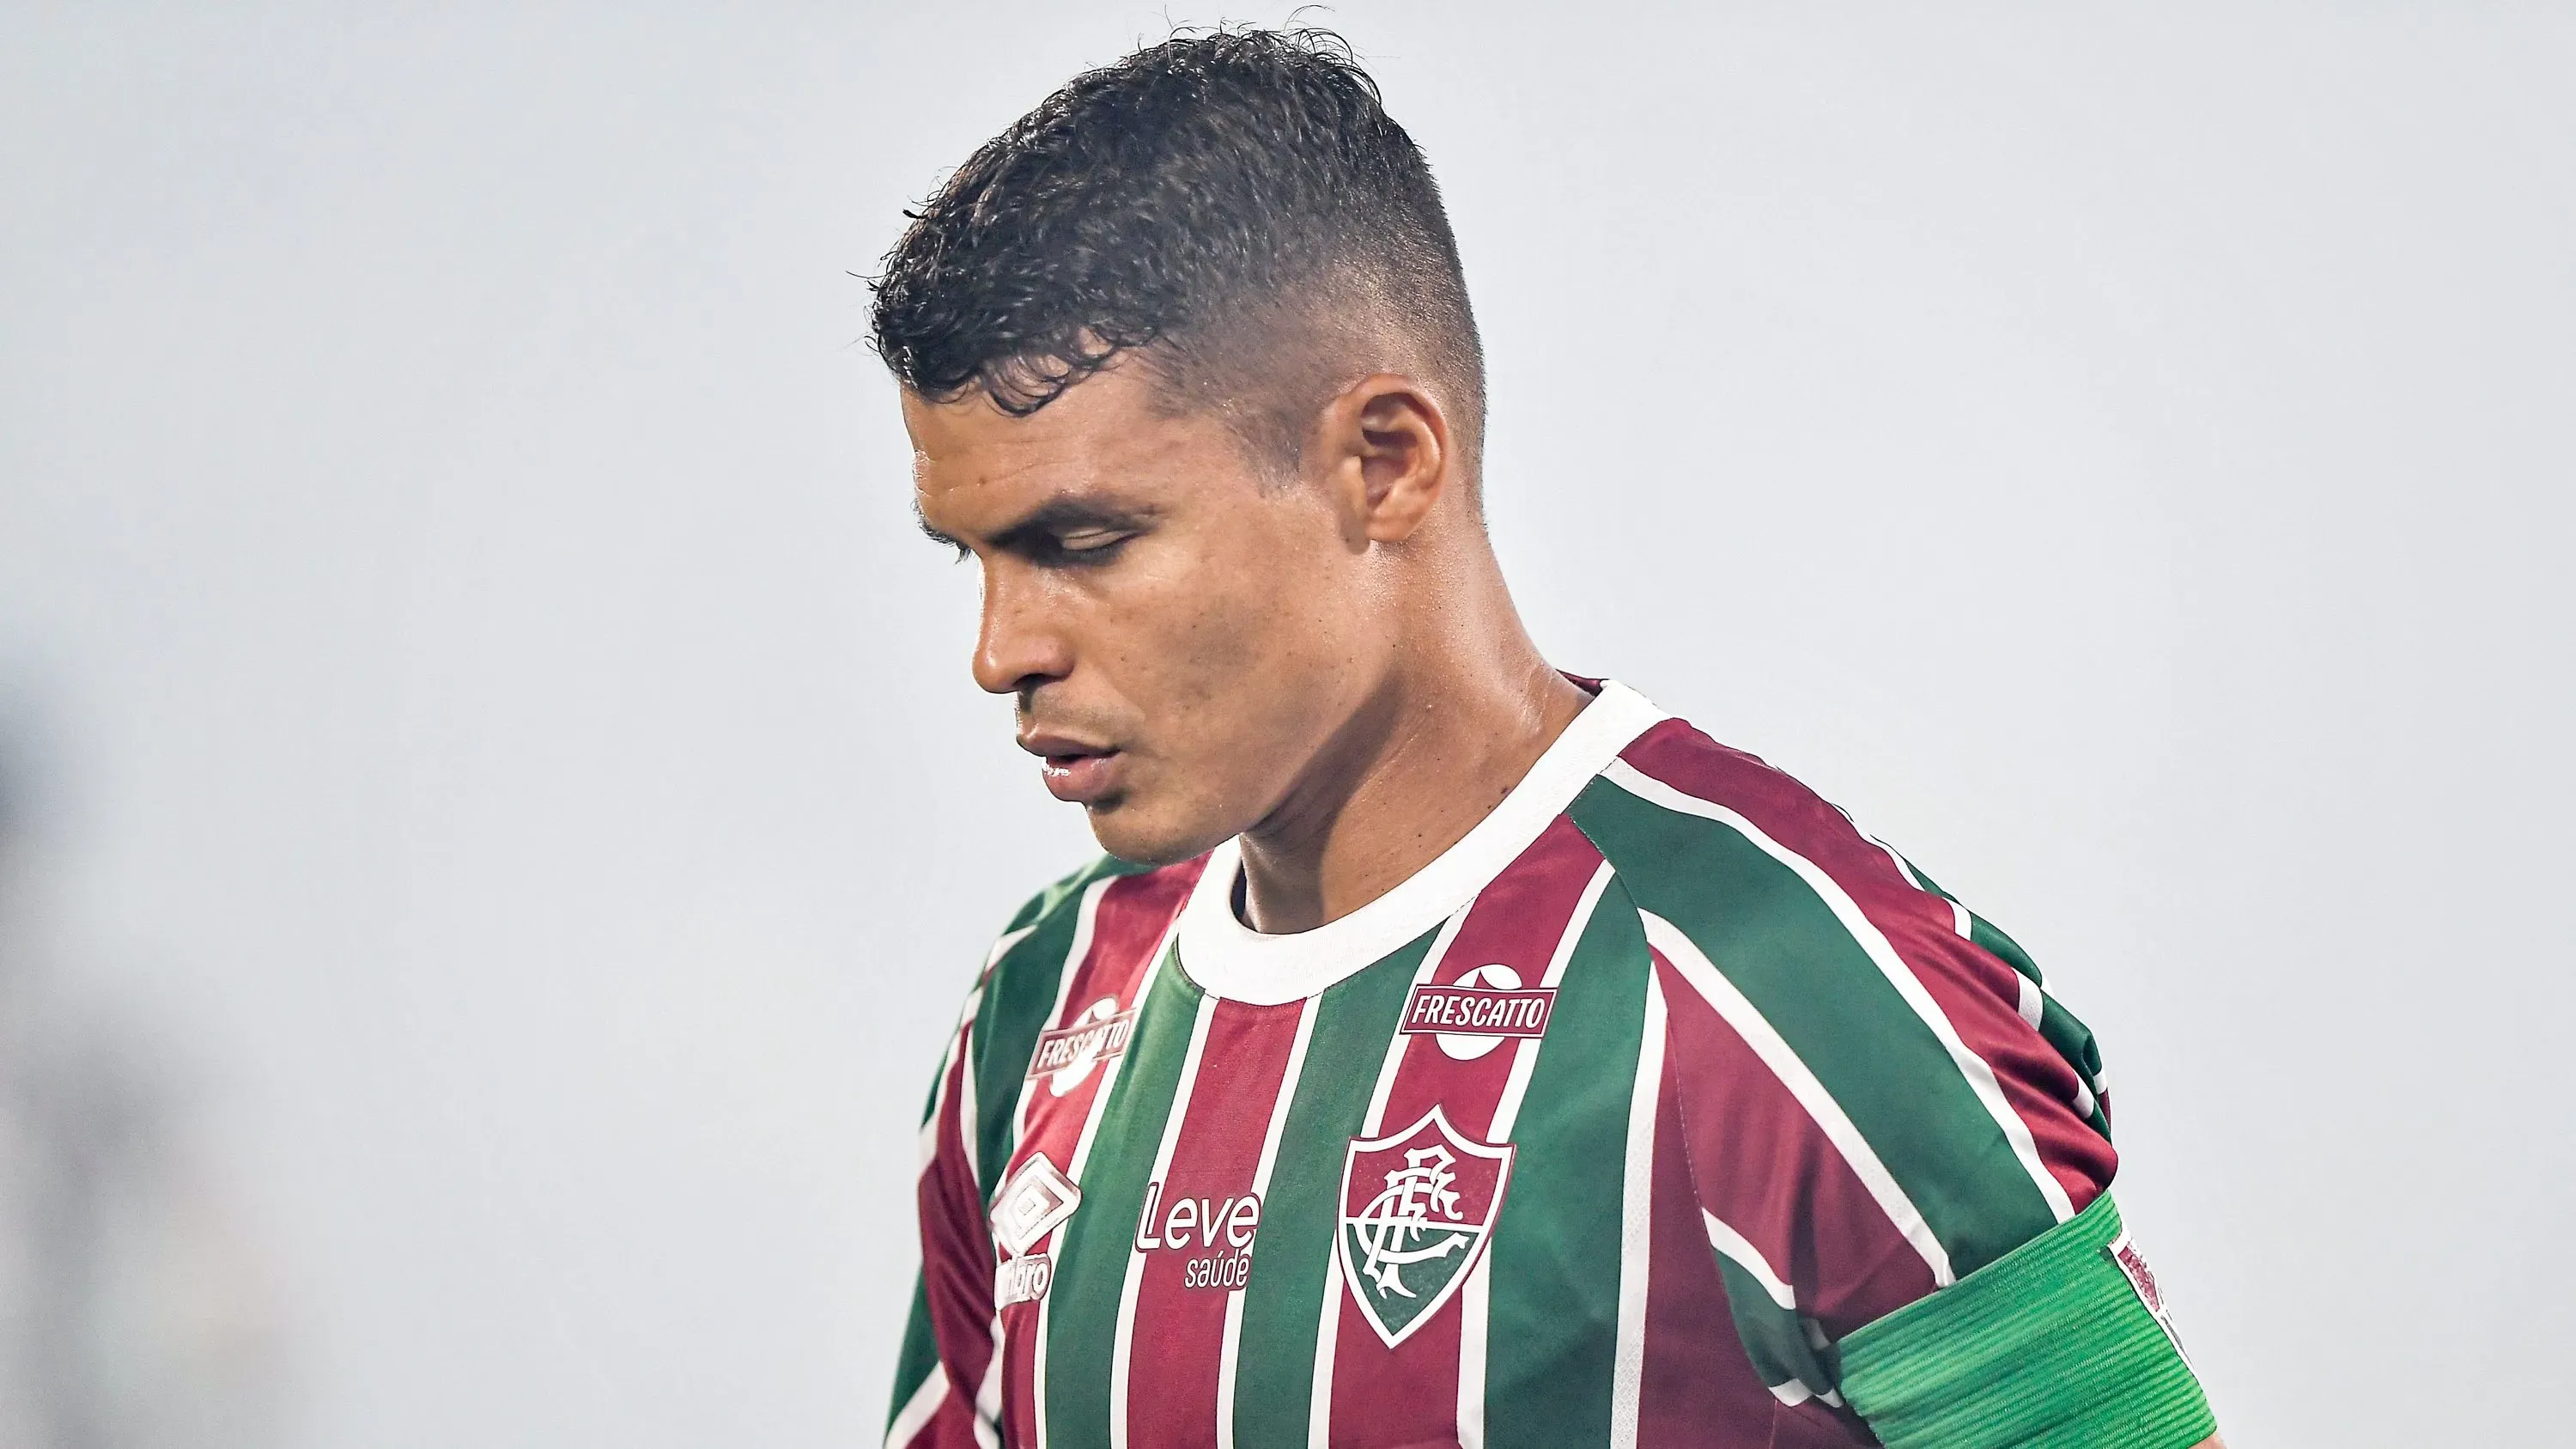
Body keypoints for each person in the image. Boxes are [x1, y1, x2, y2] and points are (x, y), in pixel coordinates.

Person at [869, 28, 2221, 1449]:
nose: (999, 650)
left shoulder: (1796, 992)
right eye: (972, 558)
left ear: (1385, 462)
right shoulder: (1042, 1006)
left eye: (1080, 542)